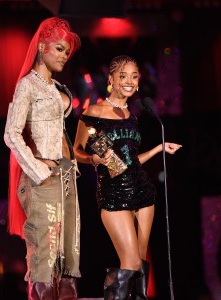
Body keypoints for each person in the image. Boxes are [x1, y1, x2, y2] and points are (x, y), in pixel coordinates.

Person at [73, 55, 182, 300]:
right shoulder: (93, 113)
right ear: (111, 79)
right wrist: (93, 159)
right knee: (130, 261)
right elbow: (76, 150)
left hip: (142, 190)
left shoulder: (132, 116)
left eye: (134, 76)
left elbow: (129, 163)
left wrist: (158, 149)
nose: (129, 81)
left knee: (140, 262)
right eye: (123, 76)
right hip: (113, 194)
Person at [4, 17, 81, 300]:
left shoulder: (58, 87)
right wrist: (38, 168)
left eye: (66, 52)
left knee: (69, 253)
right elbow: (11, 133)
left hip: (66, 174)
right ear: (41, 46)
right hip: (42, 176)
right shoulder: (28, 86)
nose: (64, 56)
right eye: (59, 49)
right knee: (45, 260)